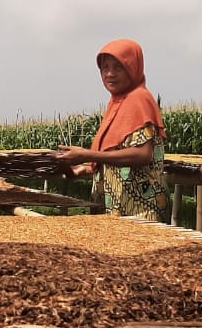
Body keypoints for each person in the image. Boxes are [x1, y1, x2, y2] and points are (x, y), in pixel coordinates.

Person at [55, 39, 170, 223]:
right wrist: (84, 170)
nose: (109, 74)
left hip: (140, 207)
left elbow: (142, 154)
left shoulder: (139, 99)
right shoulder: (116, 104)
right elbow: (114, 157)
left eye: (118, 67)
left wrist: (87, 155)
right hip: (117, 208)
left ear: (133, 68)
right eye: (104, 68)